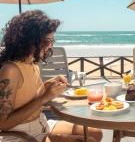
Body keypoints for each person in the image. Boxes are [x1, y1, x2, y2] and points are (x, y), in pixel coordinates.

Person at [0, 10, 102, 142]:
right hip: (20, 134)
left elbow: (27, 97)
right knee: (90, 140)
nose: (50, 46)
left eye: (51, 41)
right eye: (46, 41)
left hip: (41, 124)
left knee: (95, 132)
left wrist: (47, 86)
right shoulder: (11, 70)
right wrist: (44, 97)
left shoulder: (32, 64)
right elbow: (3, 124)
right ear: (29, 40)